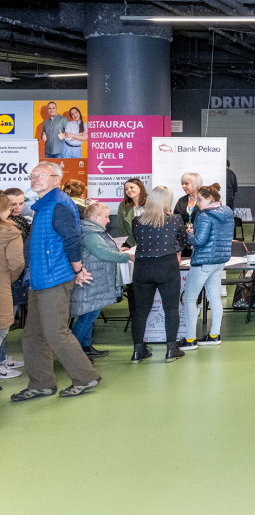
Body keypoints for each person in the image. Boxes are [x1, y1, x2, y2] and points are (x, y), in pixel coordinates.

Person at [11, 162, 100, 401]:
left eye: (41, 175)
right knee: (32, 336)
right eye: (33, 175)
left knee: (56, 332)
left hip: (53, 278)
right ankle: (41, 383)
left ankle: (85, 377)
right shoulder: (44, 205)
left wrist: (78, 268)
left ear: (56, 179)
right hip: (39, 279)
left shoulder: (58, 203)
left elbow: (72, 238)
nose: (35, 178)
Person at [131, 185, 188, 363]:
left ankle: (138, 351)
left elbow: (137, 239)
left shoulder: (137, 221)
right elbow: (183, 241)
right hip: (167, 266)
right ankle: (171, 349)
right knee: (171, 308)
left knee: (140, 310)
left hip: (142, 268)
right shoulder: (175, 219)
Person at [74, 202, 129, 360]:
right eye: (106, 217)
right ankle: (74, 353)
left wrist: (117, 250)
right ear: (96, 217)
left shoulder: (92, 231)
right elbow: (103, 253)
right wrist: (126, 256)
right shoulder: (91, 233)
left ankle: (86, 347)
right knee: (88, 315)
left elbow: (100, 250)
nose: (108, 220)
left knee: (91, 313)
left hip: (94, 278)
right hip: (91, 279)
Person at [181, 183, 233, 349]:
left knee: (189, 299)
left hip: (203, 261)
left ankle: (190, 339)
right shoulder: (227, 213)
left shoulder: (204, 215)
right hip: (219, 262)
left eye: (200, 200)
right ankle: (214, 335)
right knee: (214, 298)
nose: (197, 203)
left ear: (210, 198)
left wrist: (186, 234)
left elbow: (199, 241)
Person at [0, 195, 24, 383]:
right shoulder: (10, 231)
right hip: (3, 284)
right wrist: (10, 279)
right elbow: (16, 263)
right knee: (2, 327)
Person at [117, 178, 147, 248]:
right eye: (126, 189)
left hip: (150, 243)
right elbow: (121, 227)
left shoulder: (151, 202)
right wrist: (131, 243)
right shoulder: (123, 206)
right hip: (131, 244)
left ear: (140, 188)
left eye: (131, 187)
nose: (129, 190)